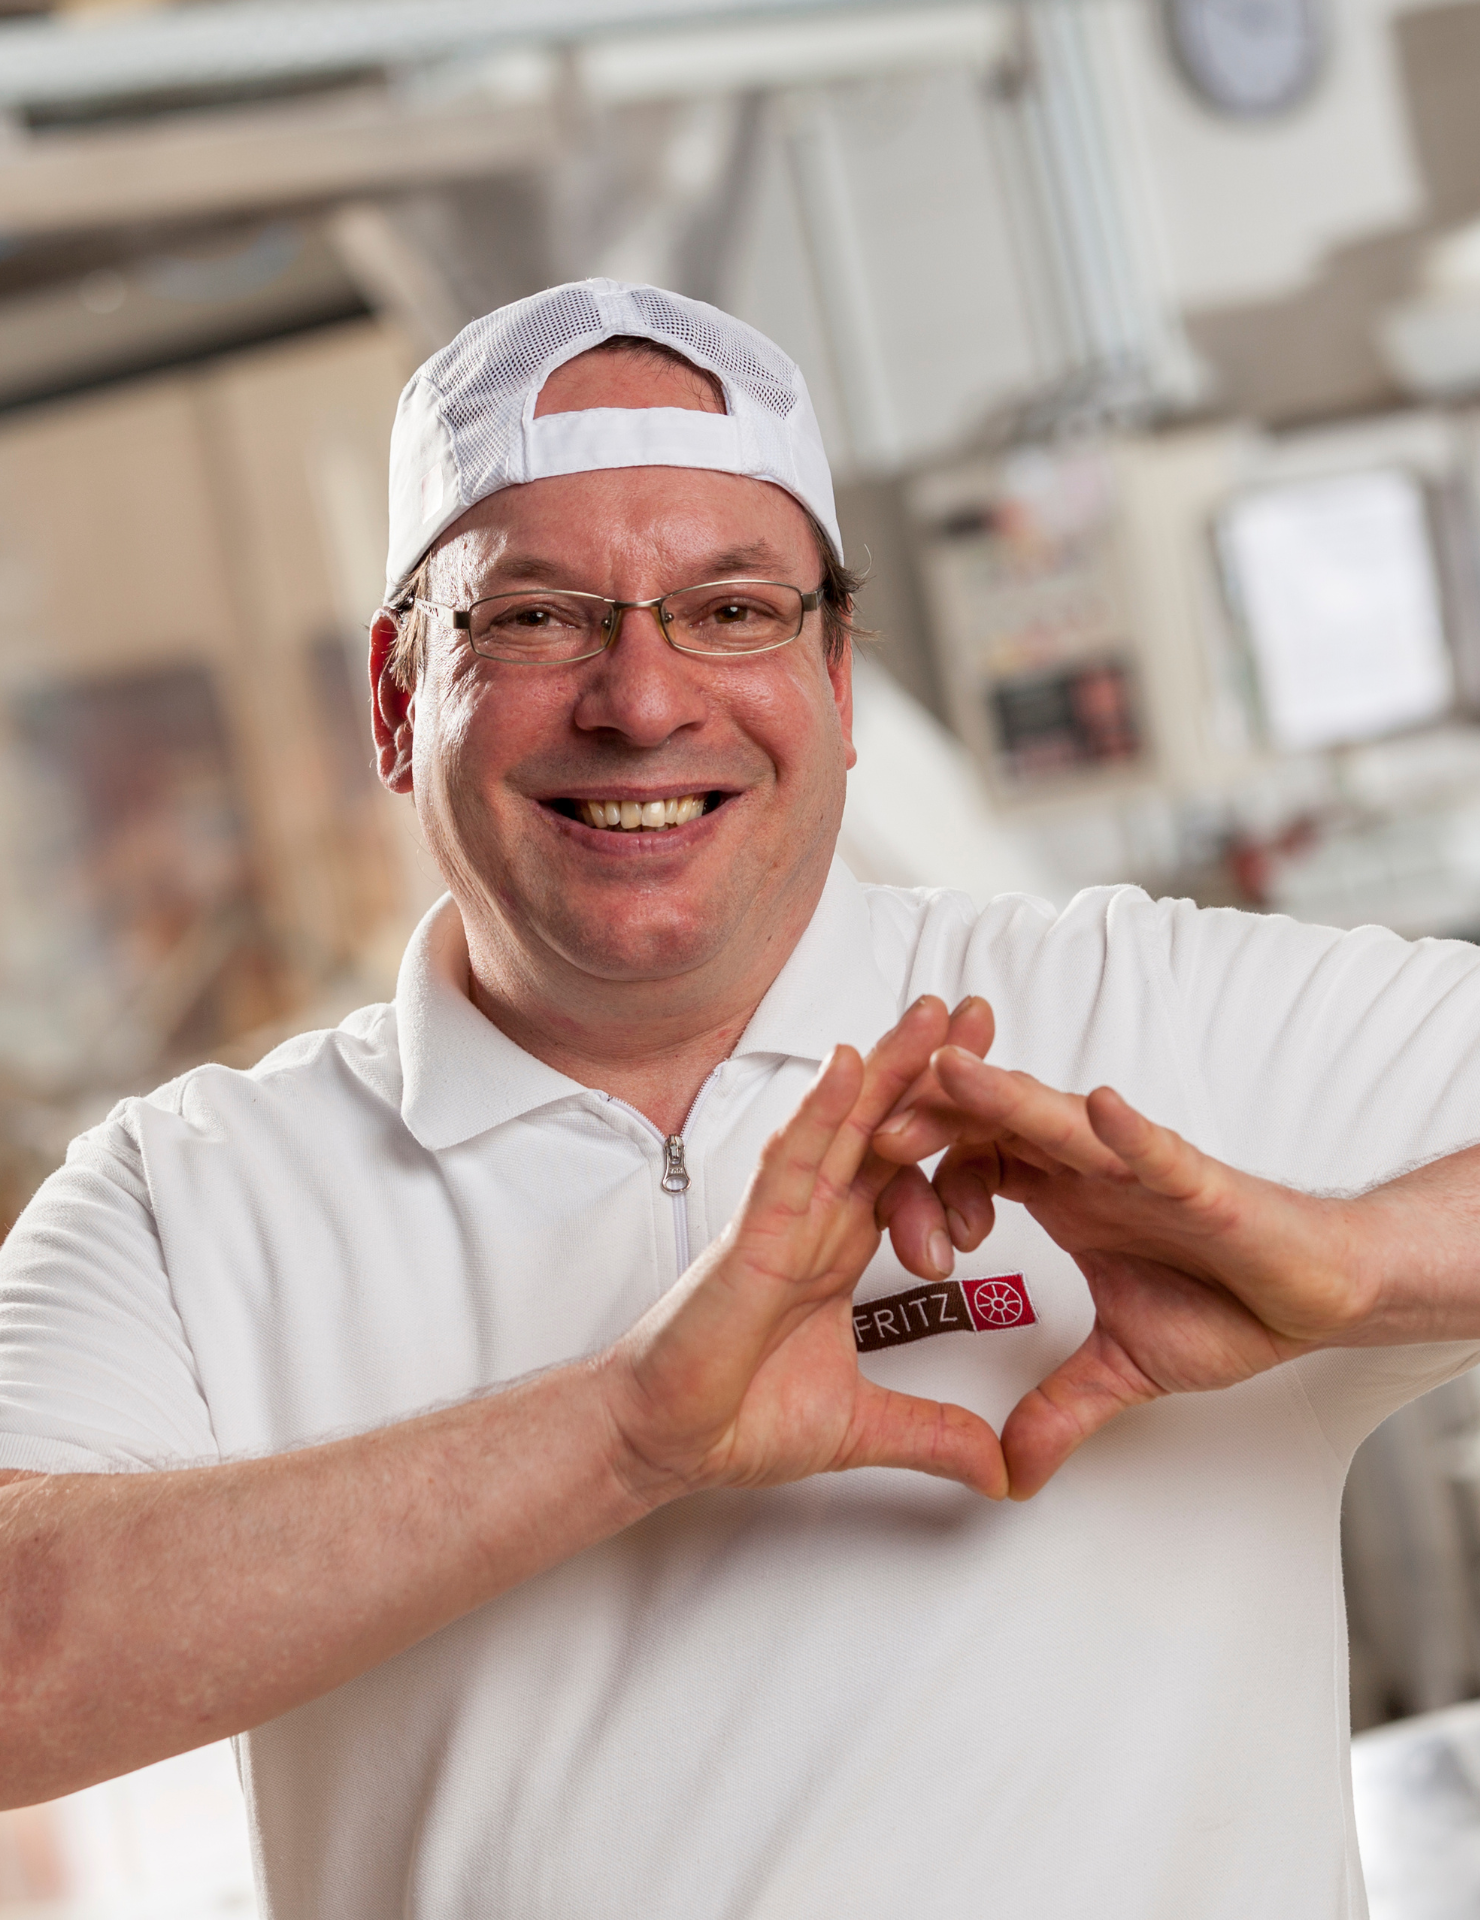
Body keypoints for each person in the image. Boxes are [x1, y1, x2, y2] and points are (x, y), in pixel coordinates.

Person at [4, 278, 1480, 1920]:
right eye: (535, 615)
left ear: (839, 680)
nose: (641, 700)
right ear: (395, 697)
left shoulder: (1145, 1019)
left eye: (731, 611)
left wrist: (1349, 1262)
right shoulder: (192, 1203)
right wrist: (627, 1431)